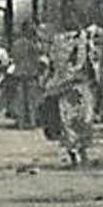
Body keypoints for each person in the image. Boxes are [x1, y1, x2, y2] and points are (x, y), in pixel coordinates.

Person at [42, 31, 97, 167]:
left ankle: (81, 154)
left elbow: (89, 63)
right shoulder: (58, 39)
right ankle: (74, 155)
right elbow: (53, 66)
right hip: (66, 86)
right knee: (69, 121)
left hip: (79, 85)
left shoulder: (82, 38)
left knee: (82, 120)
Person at [8, 22, 42, 129]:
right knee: (31, 99)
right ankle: (32, 121)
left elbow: (13, 56)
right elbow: (37, 58)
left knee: (19, 99)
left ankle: (21, 122)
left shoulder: (16, 43)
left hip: (18, 73)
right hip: (31, 73)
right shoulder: (33, 44)